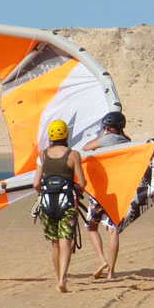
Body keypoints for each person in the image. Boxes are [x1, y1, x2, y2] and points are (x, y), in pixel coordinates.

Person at [33, 119, 87, 292]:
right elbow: (83, 182)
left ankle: (57, 277)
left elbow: (36, 184)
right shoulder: (73, 155)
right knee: (66, 242)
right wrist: (76, 187)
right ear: (66, 134)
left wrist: (43, 193)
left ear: (50, 135)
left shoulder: (43, 155)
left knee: (54, 243)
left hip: (48, 204)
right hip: (67, 203)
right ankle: (63, 278)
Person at [81, 111, 131, 279]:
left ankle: (102, 260)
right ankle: (111, 272)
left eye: (107, 127)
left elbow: (86, 147)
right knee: (112, 230)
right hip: (119, 192)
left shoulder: (109, 139)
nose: (107, 129)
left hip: (101, 191)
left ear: (111, 128)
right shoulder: (128, 142)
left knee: (92, 227)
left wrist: (101, 135)